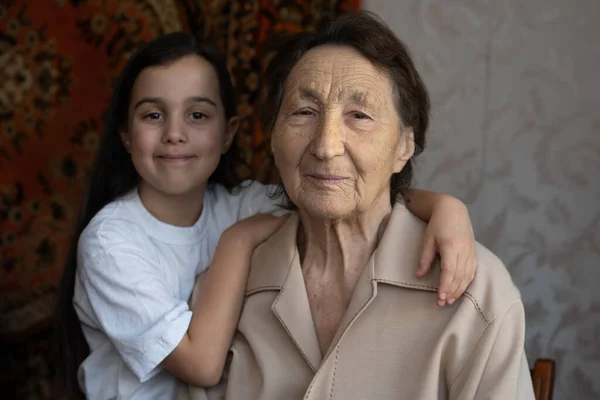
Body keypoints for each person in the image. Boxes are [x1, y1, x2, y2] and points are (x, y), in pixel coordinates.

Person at [54, 32, 479, 400]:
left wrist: (445, 207)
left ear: (229, 134)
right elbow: (201, 364)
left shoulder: (241, 203)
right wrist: (237, 241)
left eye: (197, 115)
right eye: (153, 115)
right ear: (127, 135)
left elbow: (344, 189)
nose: (175, 133)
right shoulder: (110, 242)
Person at [182, 11, 535, 400]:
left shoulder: (476, 293)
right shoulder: (228, 287)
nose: (325, 145)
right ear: (271, 136)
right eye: (304, 112)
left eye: (359, 116)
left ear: (404, 146)